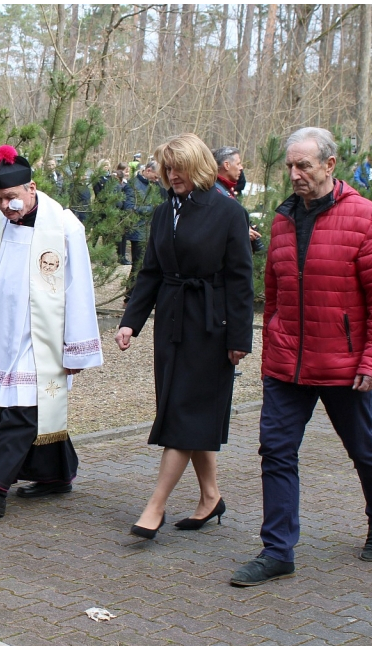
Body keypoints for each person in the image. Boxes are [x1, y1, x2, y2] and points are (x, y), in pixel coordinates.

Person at [230, 127, 372, 588]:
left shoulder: (365, 218)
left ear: (330, 164)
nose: (295, 174)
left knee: (362, 447)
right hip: (288, 365)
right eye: (289, 166)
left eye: (303, 165)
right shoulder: (283, 219)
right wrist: (271, 351)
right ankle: (277, 550)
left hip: (343, 364)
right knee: (277, 452)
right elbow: (276, 294)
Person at [115, 133, 254, 541]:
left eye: (178, 168)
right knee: (189, 413)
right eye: (167, 168)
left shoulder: (229, 213)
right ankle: (210, 497)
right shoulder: (163, 213)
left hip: (212, 326)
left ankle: (154, 506)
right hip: (172, 323)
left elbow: (240, 280)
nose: (171, 175)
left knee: (181, 416)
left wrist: (239, 338)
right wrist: (130, 321)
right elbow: (151, 273)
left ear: (198, 167)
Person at [0, 145, 103, 517]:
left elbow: (79, 287)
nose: (7, 206)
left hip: (43, 337)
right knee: (21, 406)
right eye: (0, 198)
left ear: (32, 188)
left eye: (12, 198)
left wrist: (76, 348)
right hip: (3, 332)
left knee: (22, 410)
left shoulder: (65, 227)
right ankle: (54, 473)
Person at [123, 159, 162, 305]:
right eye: (155, 176)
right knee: (138, 265)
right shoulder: (132, 185)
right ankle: (129, 296)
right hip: (138, 230)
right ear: (148, 170)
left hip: (151, 229)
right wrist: (152, 209)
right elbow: (129, 207)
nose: (157, 180)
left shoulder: (154, 186)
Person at [212, 146, 264, 253]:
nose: (241, 168)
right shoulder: (215, 192)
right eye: (238, 163)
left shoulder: (225, 189)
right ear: (226, 165)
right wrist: (243, 232)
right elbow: (213, 228)